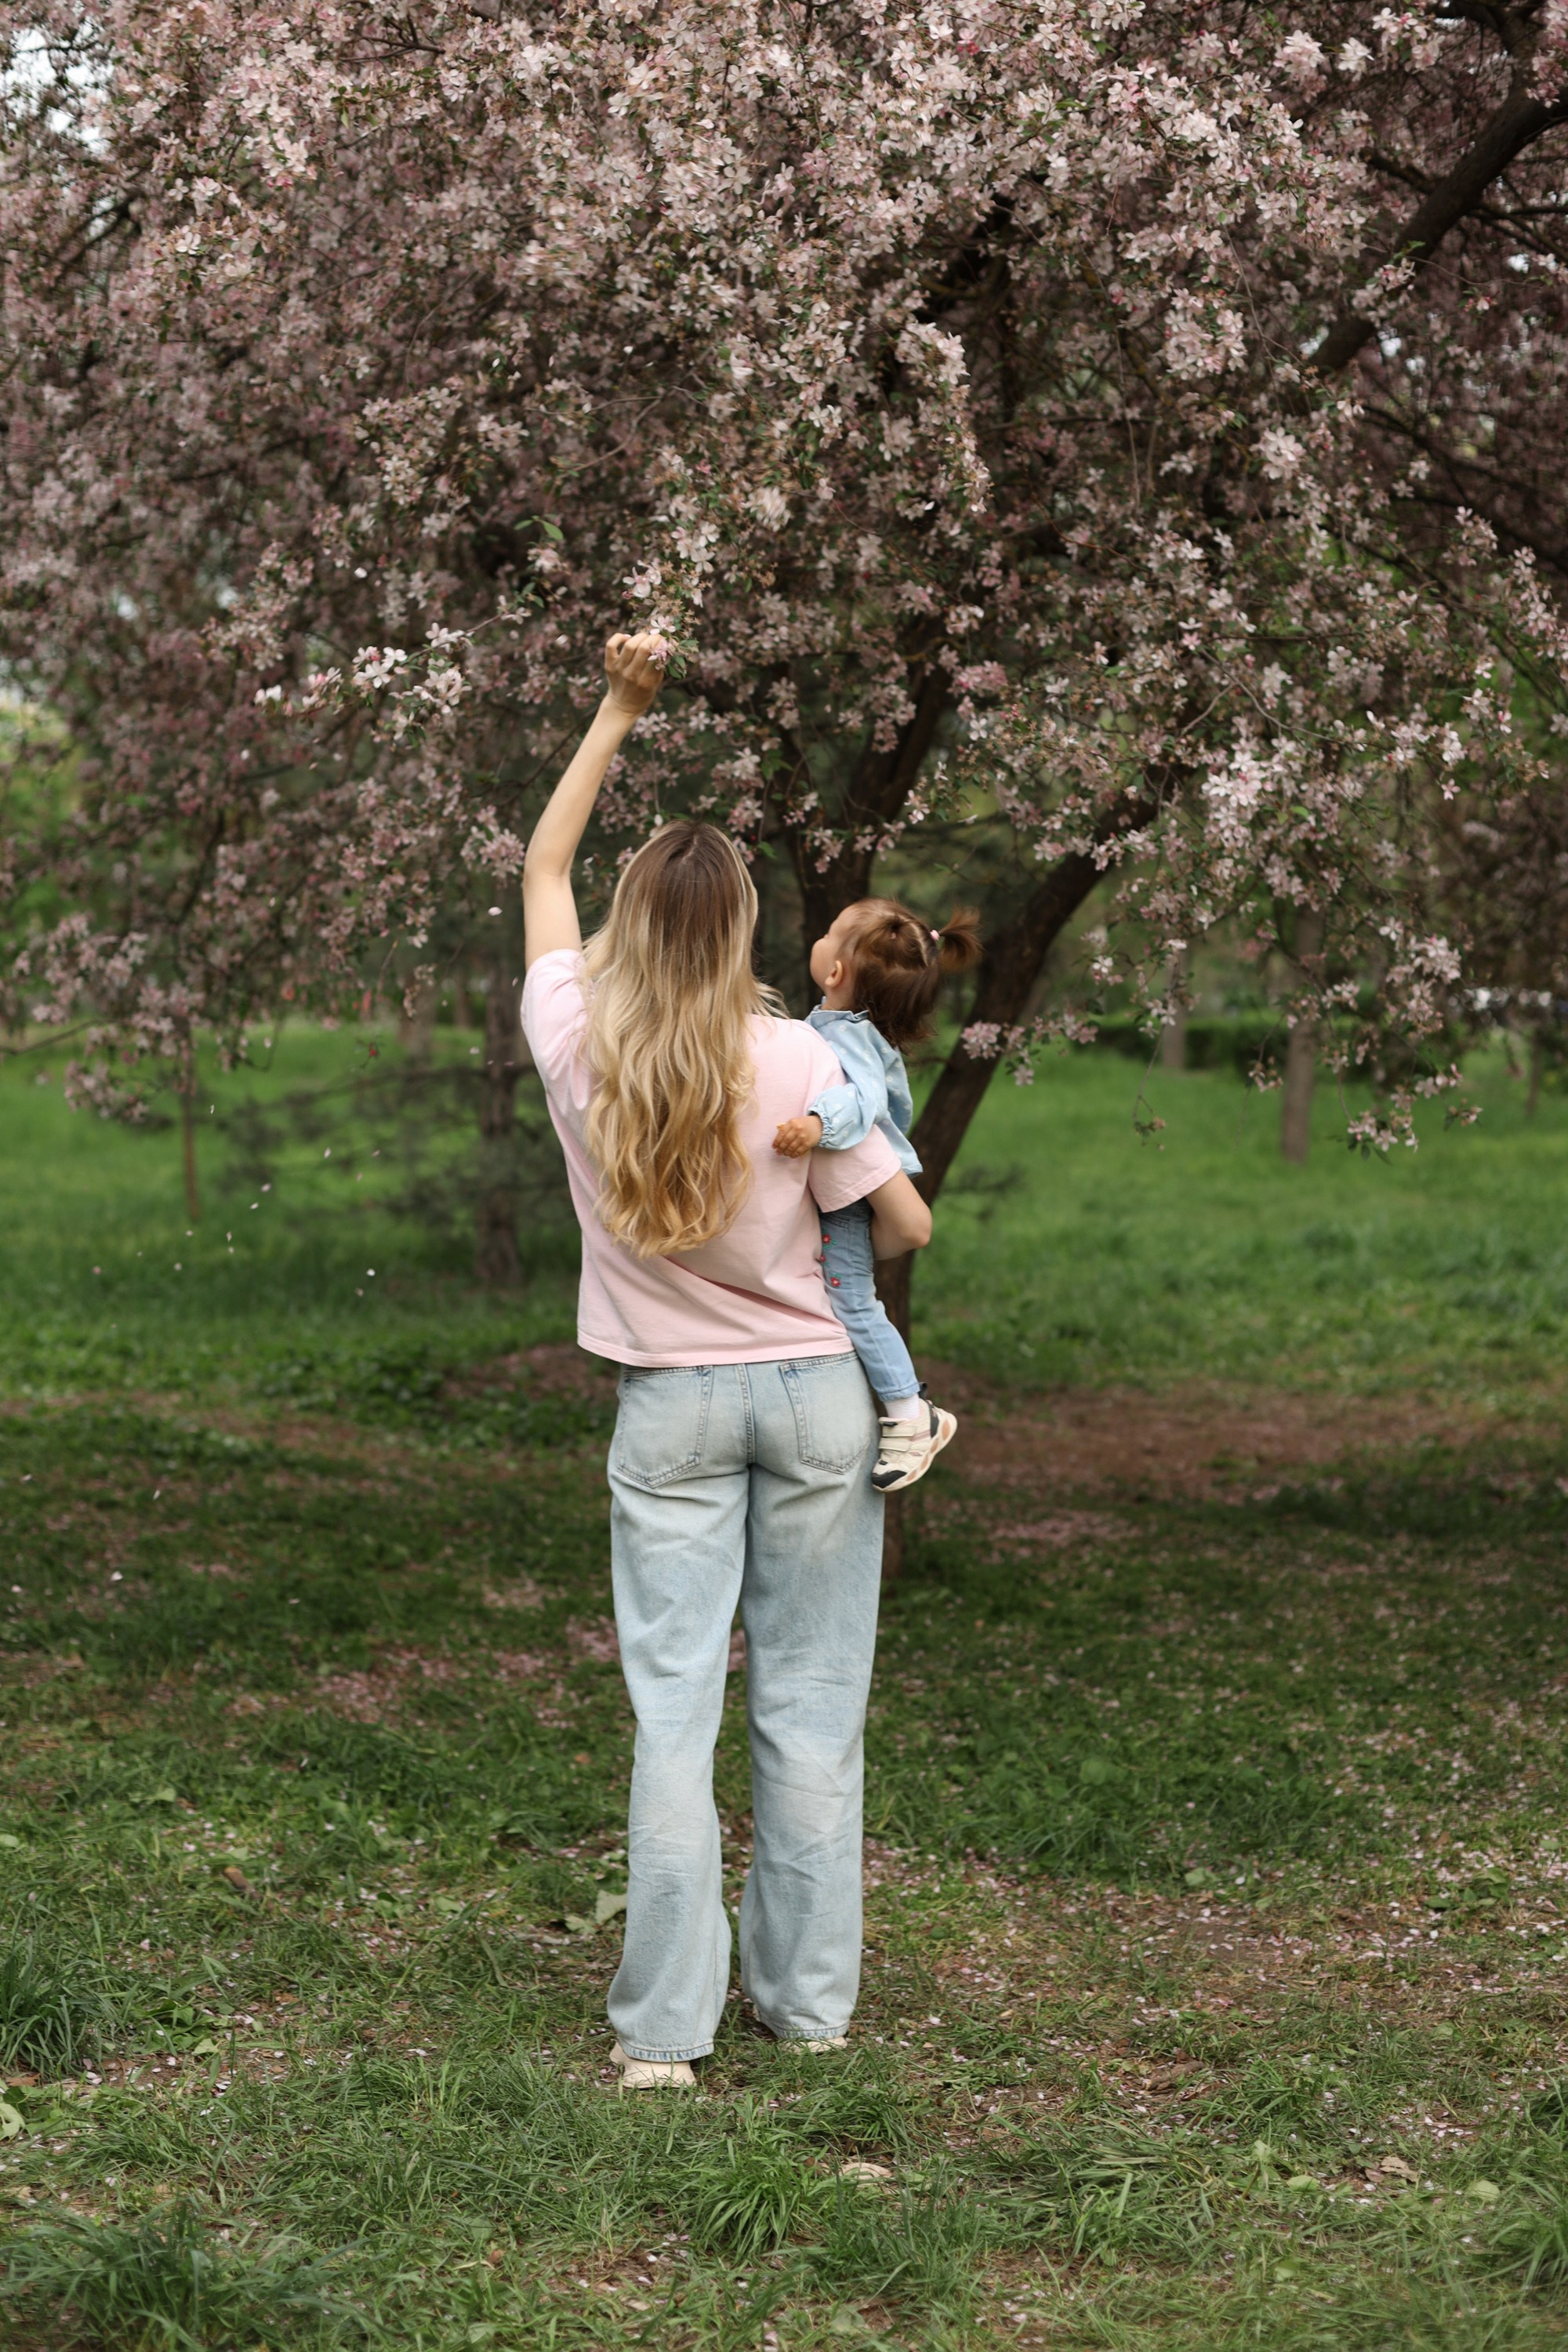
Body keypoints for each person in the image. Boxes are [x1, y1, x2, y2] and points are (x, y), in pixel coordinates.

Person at [521, 630, 935, 2091]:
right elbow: (891, 1232)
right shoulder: (807, 1064)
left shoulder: (578, 1034)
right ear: (749, 931)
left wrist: (621, 705)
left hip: (670, 1415)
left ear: (631, 924)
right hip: (822, 1400)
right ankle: (809, 2010)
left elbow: (539, 869)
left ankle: (660, 2044)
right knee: (814, 1706)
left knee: (673, 1715)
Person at [772, 897, 980, 1491]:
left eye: (830, 932)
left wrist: (816, 1124)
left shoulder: (852, 1035)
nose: (820, 935)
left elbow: (861, 1099)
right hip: (843, 1192)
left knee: (856, 1304)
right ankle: (907, 1409)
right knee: (848, 1297)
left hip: (850, 1197)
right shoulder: (836, 1025)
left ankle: (911, 1415)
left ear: (835, 972)